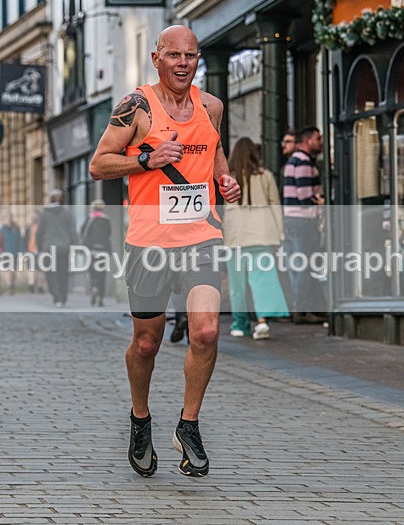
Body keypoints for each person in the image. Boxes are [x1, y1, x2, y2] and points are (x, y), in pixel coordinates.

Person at [89, 25, 241, 478]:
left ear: (198, 60)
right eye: (173, 55)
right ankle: (140, 419)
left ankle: (188, 424)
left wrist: (226, 182)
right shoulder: (135, 107)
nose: (182, 63)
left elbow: (215, 160)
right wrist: (144, 160)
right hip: (149, 243)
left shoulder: (211, 107)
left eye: (190, 56)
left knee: (207, 333)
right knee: (147, 342)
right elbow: (98, 165)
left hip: (201, 237)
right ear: (156, 59)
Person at [224, 137, 290, 339]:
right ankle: (262, 320)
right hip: (262, 233)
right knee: (263, 280)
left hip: (236, 235)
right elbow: (275, 206)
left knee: (237, 285)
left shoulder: (228, 178)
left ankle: (239, 324)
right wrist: (280, 234)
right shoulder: (265, 176)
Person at [282, 126, 326, 325]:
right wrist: (321, 202)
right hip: (303, 220)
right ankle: (303, 309)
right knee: (305, 265)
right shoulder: (303, 161)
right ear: (308, 140)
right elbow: (305, 196)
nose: (321, 142)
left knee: (297, 266)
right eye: (318, 138)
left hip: (292, 220)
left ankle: (300, 307)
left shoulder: (293, 161)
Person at [36, 189, 78, 307]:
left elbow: (39, 233)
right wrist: (75, 246)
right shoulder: (67, 214)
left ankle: (56, 296)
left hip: (49, 248)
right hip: (64, 248)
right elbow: (72, 232)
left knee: (50, 273)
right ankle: (62, 297)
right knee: (63, 272)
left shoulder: (44, 214)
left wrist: (40, 247)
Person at [80, 199, 112, 307]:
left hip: (91, 251)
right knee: (102, 274)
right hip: (103, 252)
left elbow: (83, 233)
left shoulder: (90, 219)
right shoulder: (106, 220)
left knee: (92, 272)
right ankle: (100, 297)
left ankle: (94, 287)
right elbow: (109, 234)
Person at [0, 212, 24, 295]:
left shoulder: (16, 228)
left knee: (13, 270)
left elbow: (20, 240)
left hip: (14, 252)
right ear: (4, 219)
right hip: (5, 252)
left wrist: (22, 251)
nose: (8, 220)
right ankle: (9, 286)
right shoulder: (2, 230)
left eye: (10, 218)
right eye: (7, 218)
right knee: (6, 269)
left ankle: (12, 285)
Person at [24, 212, 46, 293]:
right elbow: (26, 239)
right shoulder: (28, 228)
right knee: (31, 269)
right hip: (30, 250)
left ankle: (40, 286)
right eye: (33, 217)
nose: (34, 219)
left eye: (36, 217)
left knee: (40, 270)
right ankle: (31, 285)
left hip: (40, 250)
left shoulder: (42, 227)